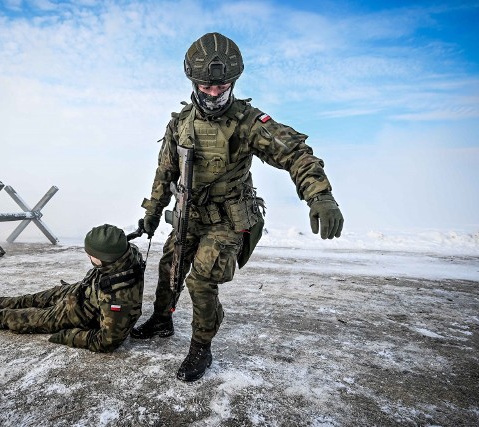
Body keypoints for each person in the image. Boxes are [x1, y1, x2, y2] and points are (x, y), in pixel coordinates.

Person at [132, 32, 344, 381]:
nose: (214, 93)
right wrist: (153, 212)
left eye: (222, 85)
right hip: (189, 214)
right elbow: (165, 170)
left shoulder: (248, 122)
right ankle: (161, 320)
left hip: (229, 218)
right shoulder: (180, 123)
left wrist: (319, 195)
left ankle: (202, 346)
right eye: (206, 85)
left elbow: (295, 153)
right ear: (193, 81)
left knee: (202, 279)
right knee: (170, 265)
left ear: (233, 81)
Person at [0, 224, 145, 353]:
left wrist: (67, 336)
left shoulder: (119, 298)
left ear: (105, 259)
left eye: (91, 255)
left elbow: (108, 341)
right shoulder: (122, 255)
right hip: (82, 292)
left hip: (77, 314)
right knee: (28, 299)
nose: (88, 256)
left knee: (15, 318)